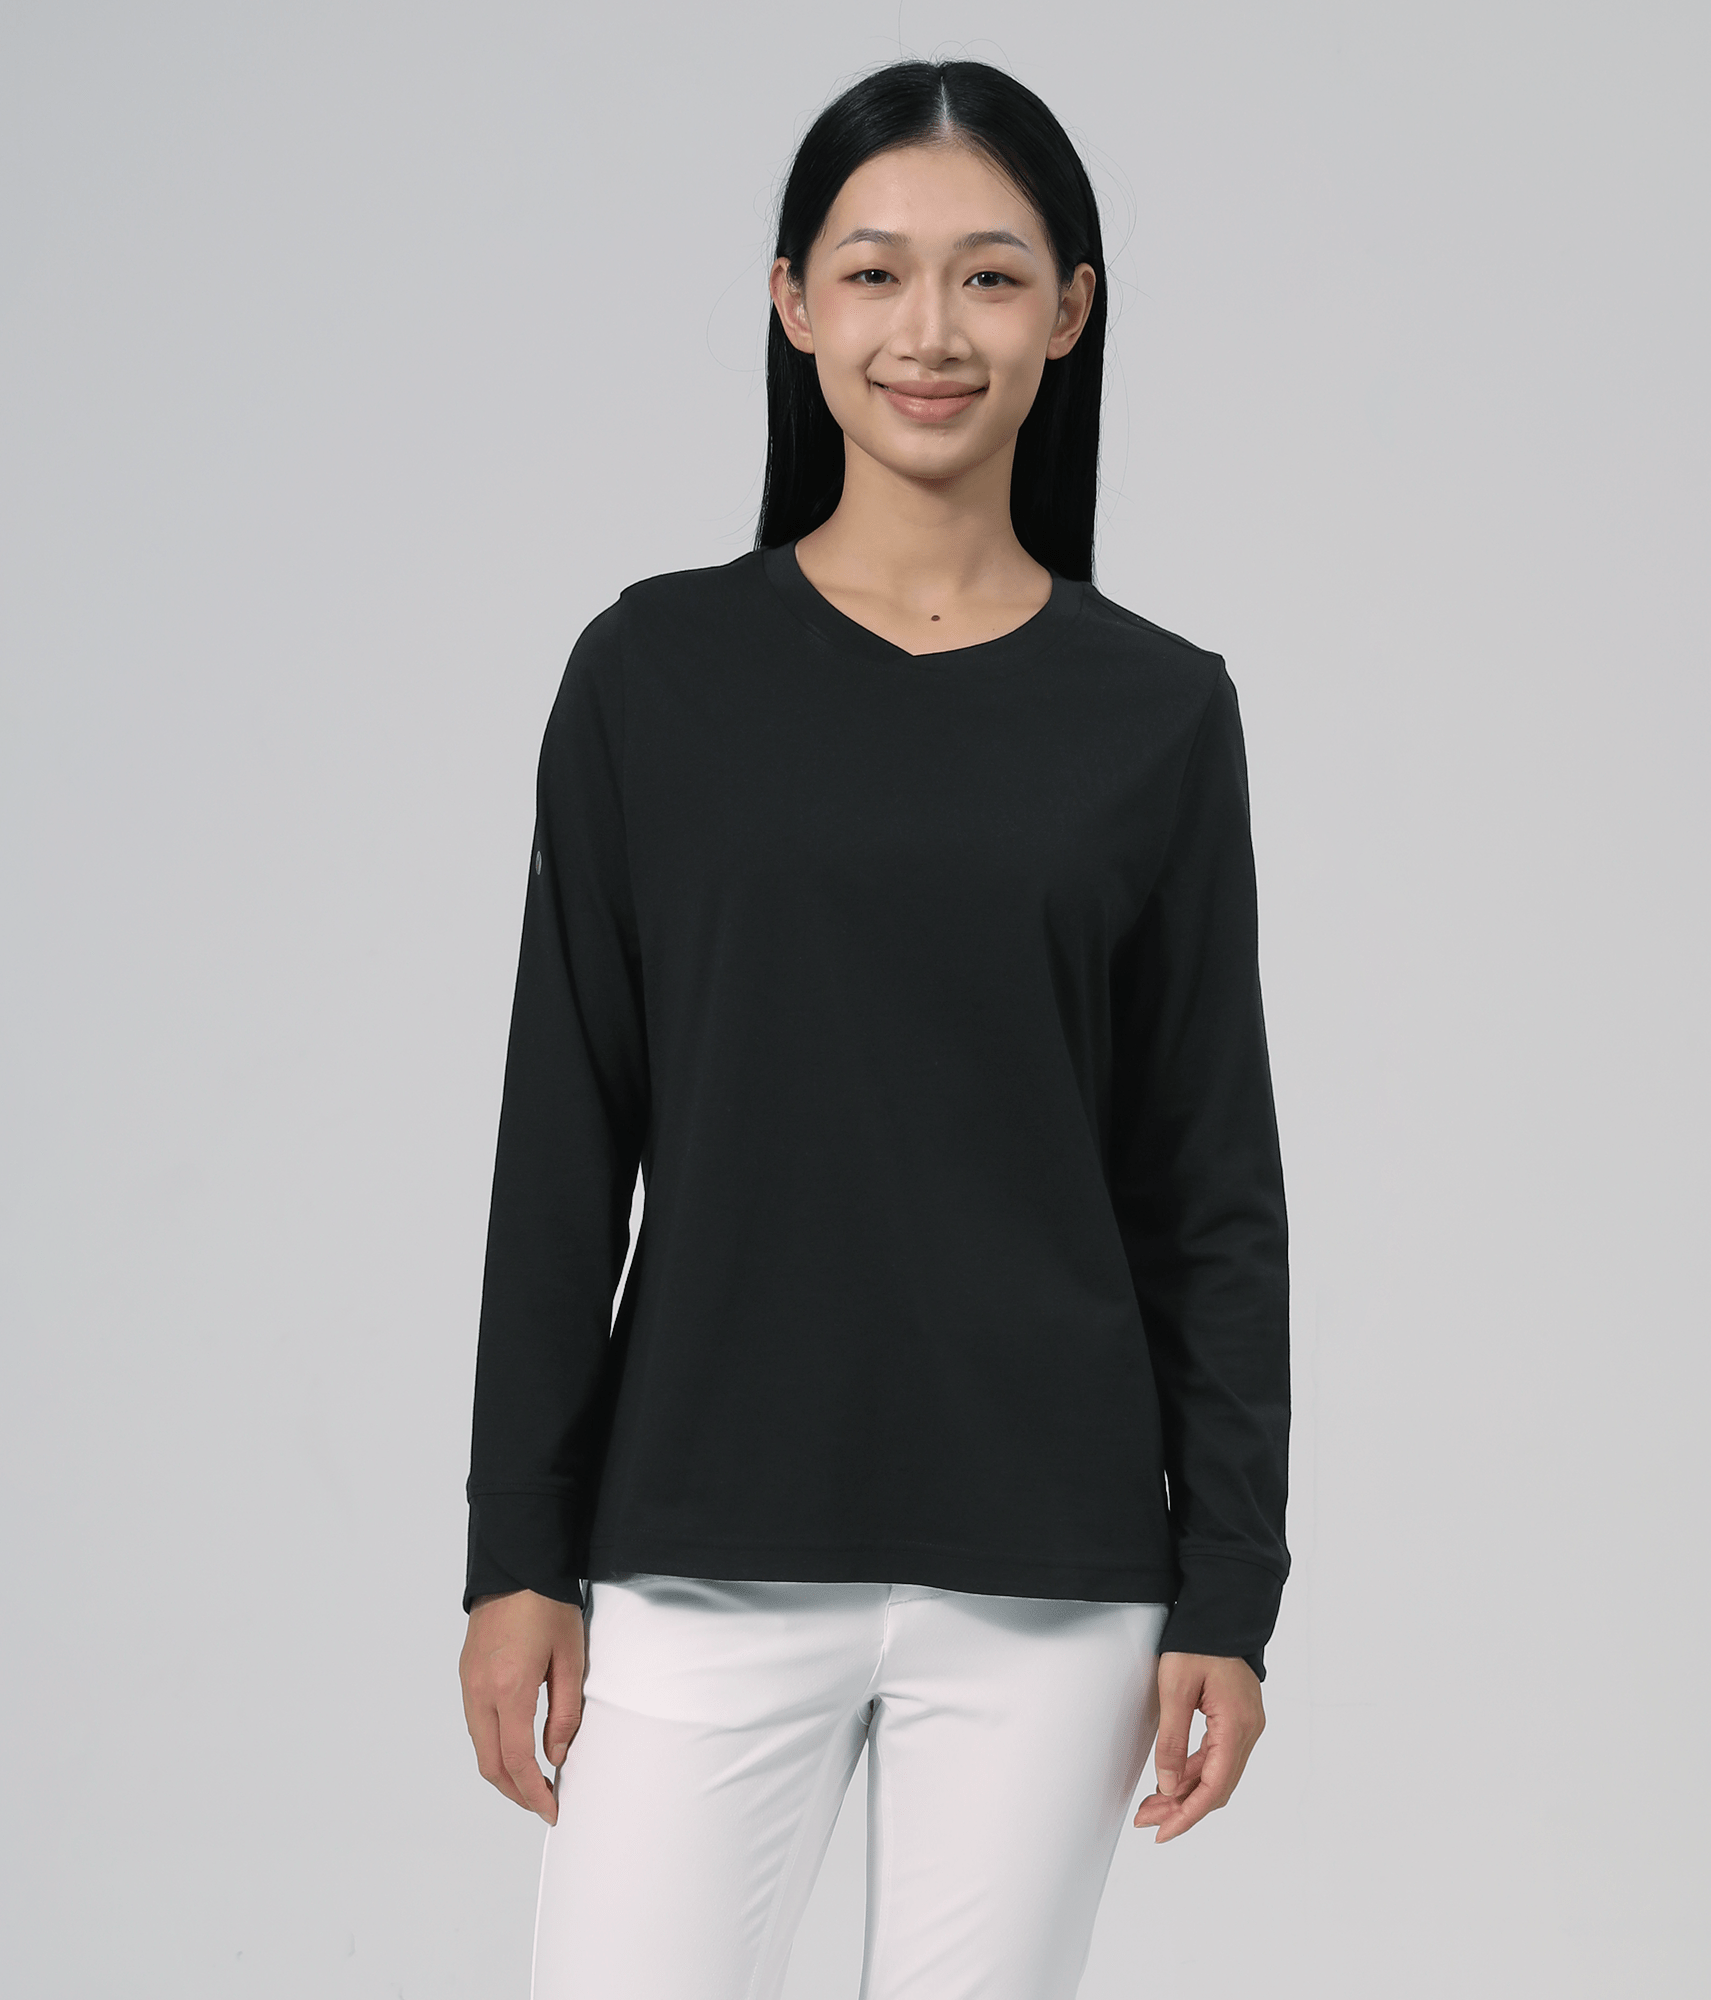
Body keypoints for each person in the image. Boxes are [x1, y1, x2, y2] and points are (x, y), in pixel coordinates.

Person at [457, 57, 1290, 2000]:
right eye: (874, 272)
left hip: (1053, 1575)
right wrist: (517, 1551)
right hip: (704, 1534)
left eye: (990, 276)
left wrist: (1230, 1591)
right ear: (791, 302)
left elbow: (1208, 1187)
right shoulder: (653, 676)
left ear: (1069, 312)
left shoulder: (1159, 714)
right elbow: (563, 1142)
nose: (931, 331)